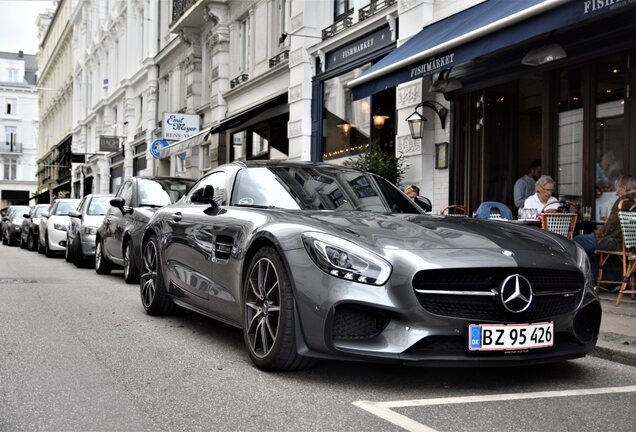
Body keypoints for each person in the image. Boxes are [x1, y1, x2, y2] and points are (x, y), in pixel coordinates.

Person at [574, 175, 636, 290]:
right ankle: (610, 281)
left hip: (615, 241)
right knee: (593, 248)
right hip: (630, 244)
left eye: (617, 188)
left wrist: (597, 233)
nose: (616, 192)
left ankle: (590, 281)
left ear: (624, 187)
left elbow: (609, 227)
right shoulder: (633, 201)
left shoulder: (623, 201)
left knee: (577, 241)